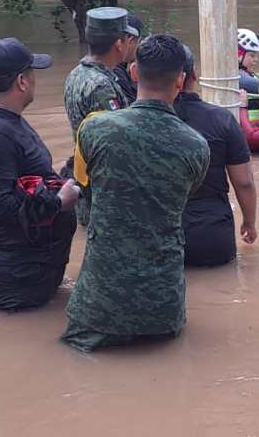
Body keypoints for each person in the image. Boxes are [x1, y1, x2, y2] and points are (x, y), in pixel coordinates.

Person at [62, 35, 210, 352]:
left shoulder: (93, 130)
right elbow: (180, 199)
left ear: (133, 72)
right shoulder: (197, 146)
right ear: (181, 80)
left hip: (97, 306)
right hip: (163, 308)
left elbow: (85, 189)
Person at [0, 38, 81, 311]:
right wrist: (58, 203)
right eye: (32, 73)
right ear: (22, 81)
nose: (35, 80)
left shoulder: (6, 120)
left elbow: (27, 181)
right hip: (19, 275)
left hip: (31, 267)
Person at [174, 45, 258, 266]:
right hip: (211, 235)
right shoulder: (221, 119)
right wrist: (249, 222)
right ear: (193, 74)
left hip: (157, 239)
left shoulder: (132, 123)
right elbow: (244, 182)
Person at [62, 7, 133, 224]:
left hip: (85, 177)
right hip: (102, 190)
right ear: (119, 44)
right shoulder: (101, 86)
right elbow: (114, 145)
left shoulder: (76, 73)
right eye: (127, 39)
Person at [112, 14, 146, 104]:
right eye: (138, 42)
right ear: (131, 41)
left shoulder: (109, 65)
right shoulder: (116, 74)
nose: (139, 47)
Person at [237, 28, 259, 121]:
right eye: (252, 55)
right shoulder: (241, 79)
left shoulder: (245, 74)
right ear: (238, 54)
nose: (256, 59)